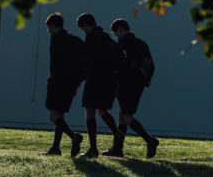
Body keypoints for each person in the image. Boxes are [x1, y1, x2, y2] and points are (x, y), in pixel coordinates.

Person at [105, 18, 160, 158]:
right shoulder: (142, 44)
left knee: (126, 115)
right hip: (138, 85)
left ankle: (149, 140)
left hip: (125, 84)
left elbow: (119, 66)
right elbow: (150, 65)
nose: (116, 36)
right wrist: (144, 81)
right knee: (123, 114)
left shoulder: (122, 44)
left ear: (120, 29)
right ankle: (117, 147)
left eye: (116, 33)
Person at [75, 13, 123, 159]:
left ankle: (93, 148)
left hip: (94, 78)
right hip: (109, 80)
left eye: (83, 29)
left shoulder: (91, 37)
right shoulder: (107, 37)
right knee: (101, 110)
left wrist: (82, 75)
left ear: (85, 26)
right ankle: (117, 136)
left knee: (90, 111)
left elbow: (86, 59)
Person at [42, 12, 85, 156]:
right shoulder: (74, 40)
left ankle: (74, 136)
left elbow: (54, 64)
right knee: (60, 115)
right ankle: (55, 147)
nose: (48, 30)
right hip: (71, 84)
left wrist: (53, 81)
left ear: (52, 26)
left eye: (48, 27)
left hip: (58, 83)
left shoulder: (56, 39)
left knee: (53, 116)